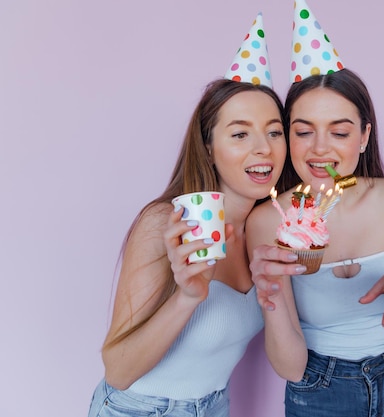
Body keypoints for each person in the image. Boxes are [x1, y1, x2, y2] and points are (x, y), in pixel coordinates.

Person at [245, 2, 384, 416]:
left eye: (339, 131)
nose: (321, 149)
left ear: (364, 136)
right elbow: (290, 365)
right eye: (303, 132)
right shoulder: (269, 221)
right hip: (318, 389)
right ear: (287, 137)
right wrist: (269, 296)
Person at [88, 14, 287, 417]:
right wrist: (187, 298)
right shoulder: (166, 224)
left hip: (215, 406)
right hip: (139, 409)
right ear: (209, 148)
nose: (263, 147)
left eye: (274, 131)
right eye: (240, 133)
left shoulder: (268, 231)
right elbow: (119, 369)